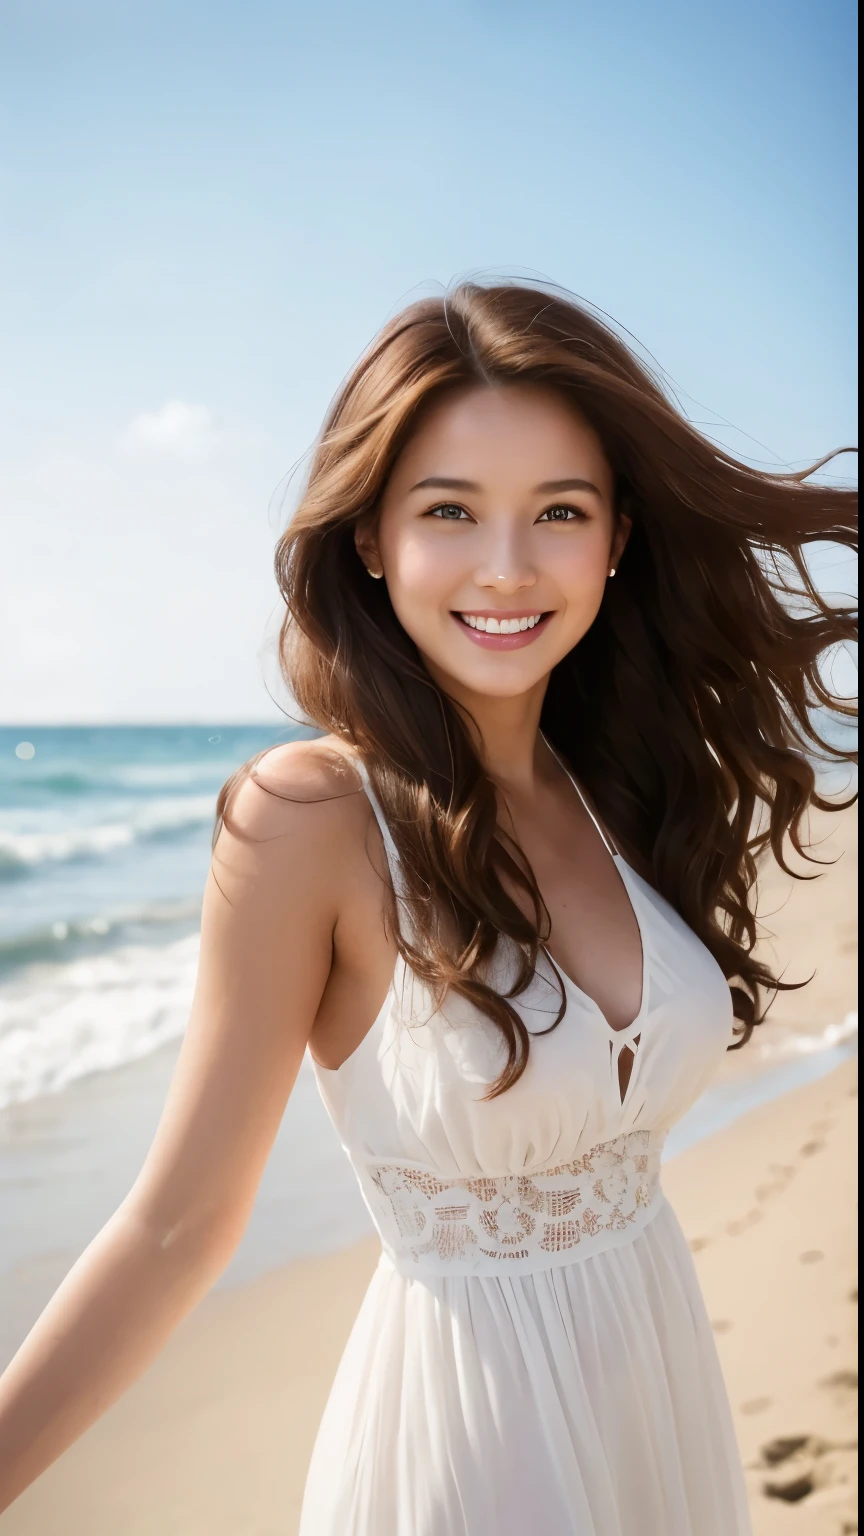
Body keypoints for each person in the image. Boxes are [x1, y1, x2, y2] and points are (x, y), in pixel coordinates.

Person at [0, 281, 856, 1534]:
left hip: (653, 1409)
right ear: (370, 538)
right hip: (468, 1458)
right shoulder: (311, 818)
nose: (506, 567)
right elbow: (177, 1224)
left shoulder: (613, 780)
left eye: (557, 511)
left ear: (617, 536)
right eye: (449, 511)